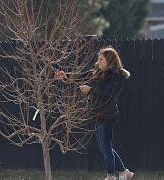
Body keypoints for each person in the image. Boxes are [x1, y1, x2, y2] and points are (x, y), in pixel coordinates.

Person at [54, 47, 134, 180]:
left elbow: (107, 94)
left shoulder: (117, 76)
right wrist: (65, 75)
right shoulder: (97, 72)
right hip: (97, 114)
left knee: (106, 147)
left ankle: (110, 176)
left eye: (101, 59)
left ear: (110, 61)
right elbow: (81, 76)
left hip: (108, 116)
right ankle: (124, 172)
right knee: (105, 147)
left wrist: (90, 90)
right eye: (99, 59)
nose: (99, 61)